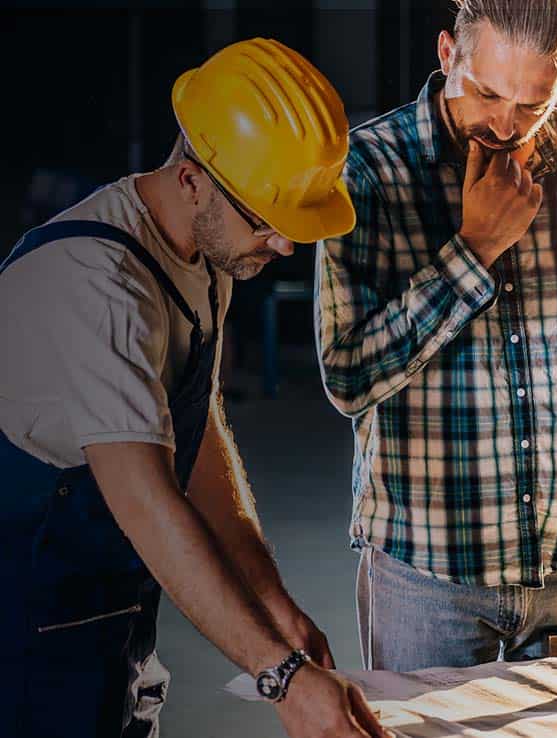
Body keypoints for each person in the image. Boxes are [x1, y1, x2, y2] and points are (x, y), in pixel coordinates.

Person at [0, 38, 387, 738]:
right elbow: (147, 505)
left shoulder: (205, 257)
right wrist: (284, 679)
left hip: (107, 625)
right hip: (20, 640)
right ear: (191, 179)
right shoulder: (98, 288)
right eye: (267, 221)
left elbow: (197, 433)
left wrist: (271, 603)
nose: (283, 245)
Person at [315, 0, 557, 672]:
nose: (503, 124)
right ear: (447, 56)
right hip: (423, 581)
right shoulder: (366, 172)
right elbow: (349, 378)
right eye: (487, 93)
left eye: (532, 104)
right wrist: (475, 249)